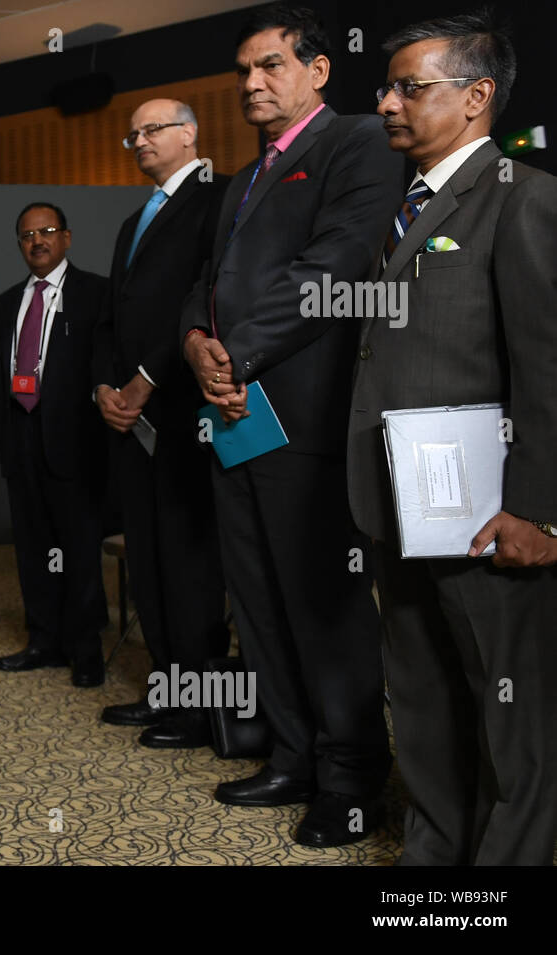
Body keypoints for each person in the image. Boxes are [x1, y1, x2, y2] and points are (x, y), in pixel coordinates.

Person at [179, 4, 404, 846]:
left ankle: (350, 777)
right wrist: (197, 343)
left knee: (322, 603)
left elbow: (336, 266)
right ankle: (293, 755)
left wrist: (232, 354)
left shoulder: (355, 143)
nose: (251, 84)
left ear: (318, 70)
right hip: (232, 418)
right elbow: (204, 281)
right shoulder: (241, 178)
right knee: (261, 600)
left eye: (269, 65)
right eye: (243, 71)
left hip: (304, 414)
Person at [349, 10, 557, 865]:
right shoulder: (403, 209)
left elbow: (546, 366)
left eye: (410, 87)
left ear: (477, 97)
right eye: (387, 86)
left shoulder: (526, 200)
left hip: (490, 519)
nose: (389, 102)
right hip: (403, 510)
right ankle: (433, 862)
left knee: (512, 723)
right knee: (425, 702)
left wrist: (538, 511)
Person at [93, 99, 230, 745]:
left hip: (183, 415)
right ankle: (167, 690)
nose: (140, 140)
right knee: (148, 563)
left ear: (189, 132)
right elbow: (114, 318)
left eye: (152, 130)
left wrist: (145, 379)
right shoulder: (133, 220)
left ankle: (201, 709)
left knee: (189, 564)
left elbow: (202, 298)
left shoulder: (220, 199)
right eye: (134, 134)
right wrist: (104, 387)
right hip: (131, 426)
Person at [0, 203, 109, 688]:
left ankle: (85, 650)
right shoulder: (4, 303)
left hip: (74, 441)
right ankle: (43, 640)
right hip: (21, 437)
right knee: (34, 547)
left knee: (78, 550)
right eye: (26, 235)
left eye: (46, 231)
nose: (36, 241)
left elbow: (102, 366)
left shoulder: (96, 293)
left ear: (66, 237)